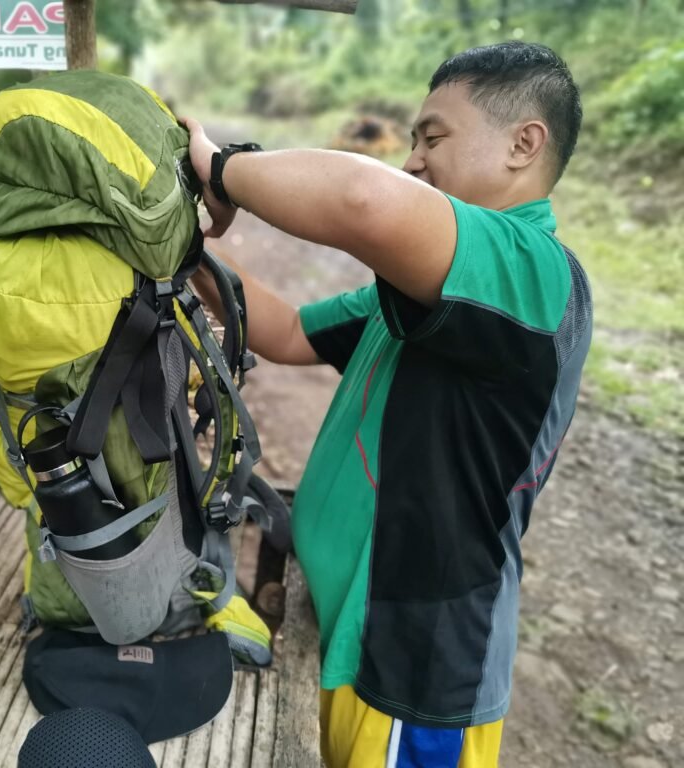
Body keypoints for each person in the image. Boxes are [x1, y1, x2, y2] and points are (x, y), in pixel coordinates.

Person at [185, 41, 592, 768]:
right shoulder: (424, 293)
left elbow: (363, 200)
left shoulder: (535, 275)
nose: (411, 160)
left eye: (433, 136)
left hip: (413, 675)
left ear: (525, 144)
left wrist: (222, 169)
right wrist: (182, 246)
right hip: (351, 633)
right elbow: (281, 330)